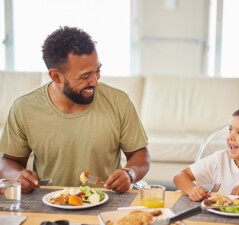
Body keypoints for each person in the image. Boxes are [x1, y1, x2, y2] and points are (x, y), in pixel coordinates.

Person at [0, 26, 150, 194]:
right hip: (48, 204)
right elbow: (8, 161)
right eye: (85, 76)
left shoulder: (119, 101)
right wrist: (17, 175)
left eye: (97, 71)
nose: (95, 82)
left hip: (106, 202)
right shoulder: (24, 108)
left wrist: (129, 173)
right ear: (56, 76)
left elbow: (140, 156)